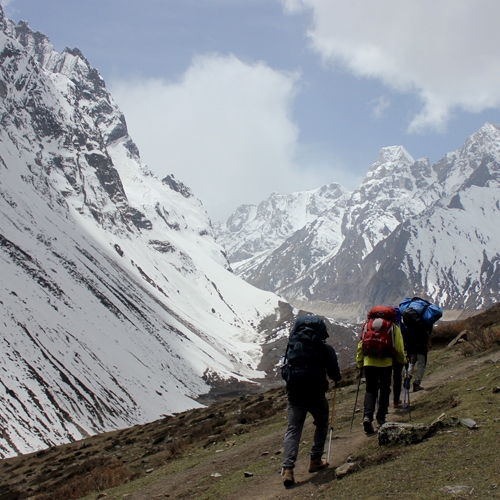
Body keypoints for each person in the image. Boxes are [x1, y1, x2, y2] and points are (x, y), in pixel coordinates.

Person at [280, 316, 342, 488]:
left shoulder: (293, 345)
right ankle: (315, 459)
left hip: (295, 394)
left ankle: (288, 469)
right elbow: (334, 372)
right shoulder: (324, 348)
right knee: (322, 422)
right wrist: (336, 379)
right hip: (316, 393)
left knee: (293, 429)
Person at [356, 306, 407, 434]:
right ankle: (381, 418)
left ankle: (367, 416)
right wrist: (403, 361)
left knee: (370, 390)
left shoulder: (367, 325)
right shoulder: (393, 327)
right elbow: (399, 348)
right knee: (385, 389)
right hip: (385, 363)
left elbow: (361, 345)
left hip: (369, 362)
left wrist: (360, 363)